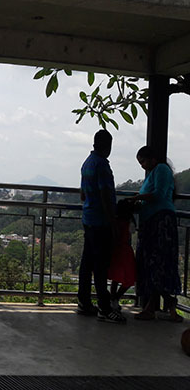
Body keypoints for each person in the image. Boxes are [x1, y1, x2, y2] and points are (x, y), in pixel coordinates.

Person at [128, 145, 182, 322]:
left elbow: (158, 194)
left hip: (160, 224)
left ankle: (151, 307)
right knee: (157, 265)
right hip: (154, 224)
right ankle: (166, 307)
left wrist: (138, 198)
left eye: (142, 161)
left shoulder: (160, 170)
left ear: (152, 158)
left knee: (156, 264)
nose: (142, 166)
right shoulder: (154, 172)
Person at [77, 129, 126, 323]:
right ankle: (105, 309)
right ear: (108, 146)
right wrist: (113, 222)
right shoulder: (102, 165)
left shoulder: (87, 164)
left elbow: (83, 195)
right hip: (100, 222)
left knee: (87, 263)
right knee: (100, 266)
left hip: (88, 219)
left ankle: (84, 302)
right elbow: (106, 196)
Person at [107, 199, 136, 312]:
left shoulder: (115, 221)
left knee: (115, 277)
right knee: (129, 278)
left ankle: (112, 299)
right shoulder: (129, 223)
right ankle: (115, 298)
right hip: (126, 252)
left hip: (115, 251)